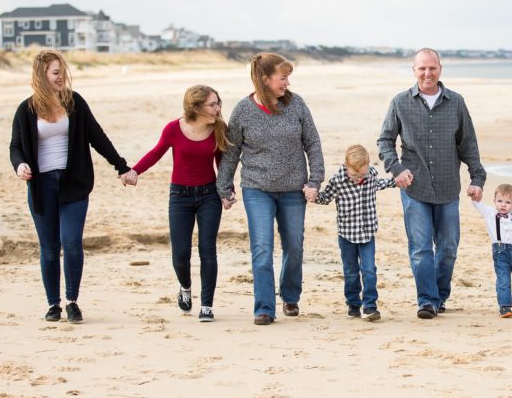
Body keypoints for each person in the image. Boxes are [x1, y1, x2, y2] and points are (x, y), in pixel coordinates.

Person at [9, 49, 133, 323]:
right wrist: (20, 165)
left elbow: (97, 137)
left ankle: (72, 301)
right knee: (49, 247)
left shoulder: (75, 103)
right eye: (56, 73)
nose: (61, 77)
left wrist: (122, 167)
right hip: (41, 186)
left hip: (73, 182)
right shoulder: (27, 109)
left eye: (63, 72)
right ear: (42, 75)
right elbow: (16, 146)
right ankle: (53, 304)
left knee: (72, 242)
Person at [377, 48, 486, 319]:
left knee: (448, 248)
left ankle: (439, 295)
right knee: (421, 248)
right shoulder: (400, 102)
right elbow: (385, 141)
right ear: (414, 70)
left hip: (449, 188)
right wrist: (397, 169)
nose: (427, 73)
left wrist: (477, 178)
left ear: (440, 69)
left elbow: (468, 144)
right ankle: (427, 300)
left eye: (432, 68)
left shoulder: (456, 102)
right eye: (422, 68)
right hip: (414, 188)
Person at [216, 52, 324, 326]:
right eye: (283, 77)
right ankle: (264, 307)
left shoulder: (297, 104)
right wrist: (223, 185)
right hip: (257, 189)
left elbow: (312, 142)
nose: (287, 82)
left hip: (293, 189)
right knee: (262, 248)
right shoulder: (243, 110)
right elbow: (231, 151)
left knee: (294, 246)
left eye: (288, 77)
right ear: (265, 79)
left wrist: (315, 179)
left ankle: (289, 295)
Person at [126, 85, 230, 322]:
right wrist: (134, 171)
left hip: (208, 195)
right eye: (212, 104)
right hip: (180, 196)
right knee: (181, 254)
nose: (218, 108)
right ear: (195, 107)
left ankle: (206, 305)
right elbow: (156, 152)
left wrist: (227, 191)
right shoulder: (174, 128)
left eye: (218, 102)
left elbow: (223, 164)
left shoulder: (219, 129)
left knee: (208, 250)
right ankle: (185, 287)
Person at [311, 144, 397, 321]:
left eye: (362, 175)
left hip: (367, 234)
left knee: (369, 270)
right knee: (351, 271)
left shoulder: (371, 175)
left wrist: (397, 181)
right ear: (346, 166)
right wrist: (312, 196)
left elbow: (382, 183)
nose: (359, 178)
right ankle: (353, 303)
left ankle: (370, 306)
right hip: (347, 235)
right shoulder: (338, 181)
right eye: (355, 175)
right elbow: (325, 198)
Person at [471, 183, 512, 318]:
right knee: (503, 279)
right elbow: (478, 205)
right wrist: (474, 196)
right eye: (500, 201)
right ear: (494, 201)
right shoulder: (491, 213)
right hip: (500, 251)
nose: (503, 205)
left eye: (508, 202)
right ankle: (505, 305)